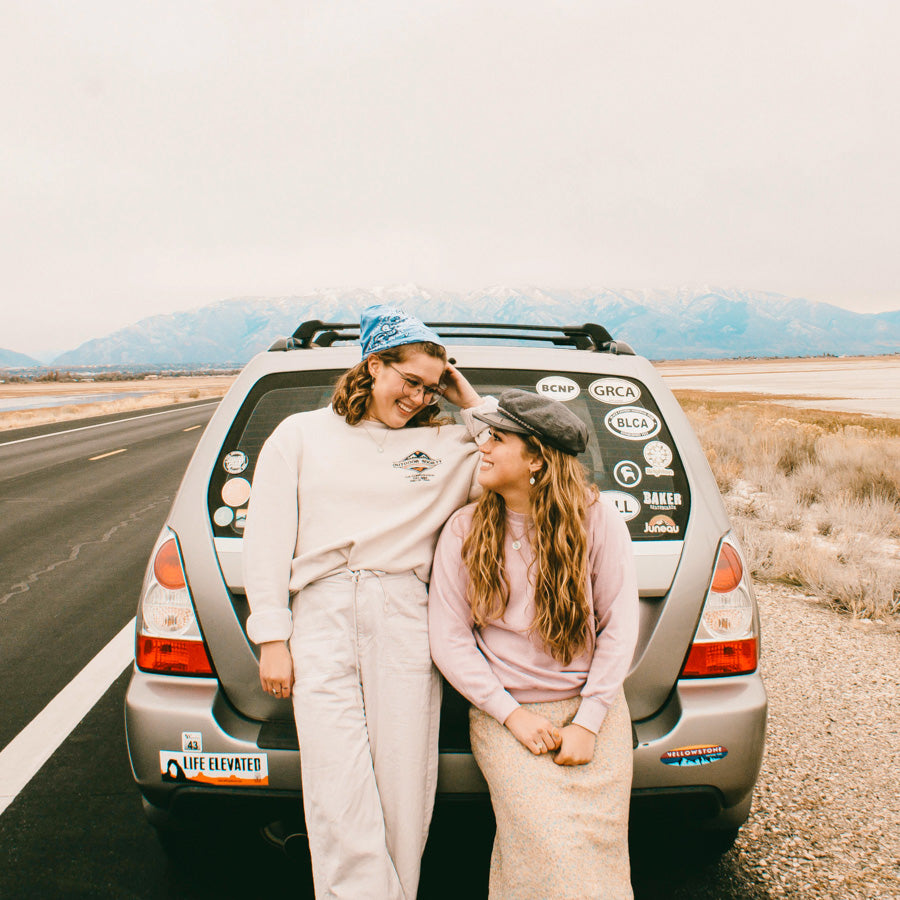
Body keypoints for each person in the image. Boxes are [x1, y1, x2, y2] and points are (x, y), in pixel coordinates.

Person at [242, 306, 494, 899]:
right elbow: (267, 540)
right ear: (373, 365)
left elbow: (527, 458)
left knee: (404, 788)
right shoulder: (300, 435)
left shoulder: (448, 444)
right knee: (336, 788)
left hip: (405, 610)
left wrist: (463, 396)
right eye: (410, 381)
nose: (417, 398)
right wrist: (273, 638)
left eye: (430, 387)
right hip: (321, 614)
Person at [428, 389, 639, 899]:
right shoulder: (465, 529)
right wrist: (510, 715)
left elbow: (620, 625)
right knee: (545, 847)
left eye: (497, 439)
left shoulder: (596, 520)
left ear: (537, 459)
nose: (483, 447)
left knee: (596, 852)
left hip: (596, 712)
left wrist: (589, 722)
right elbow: (449, 640)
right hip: (506, 716)